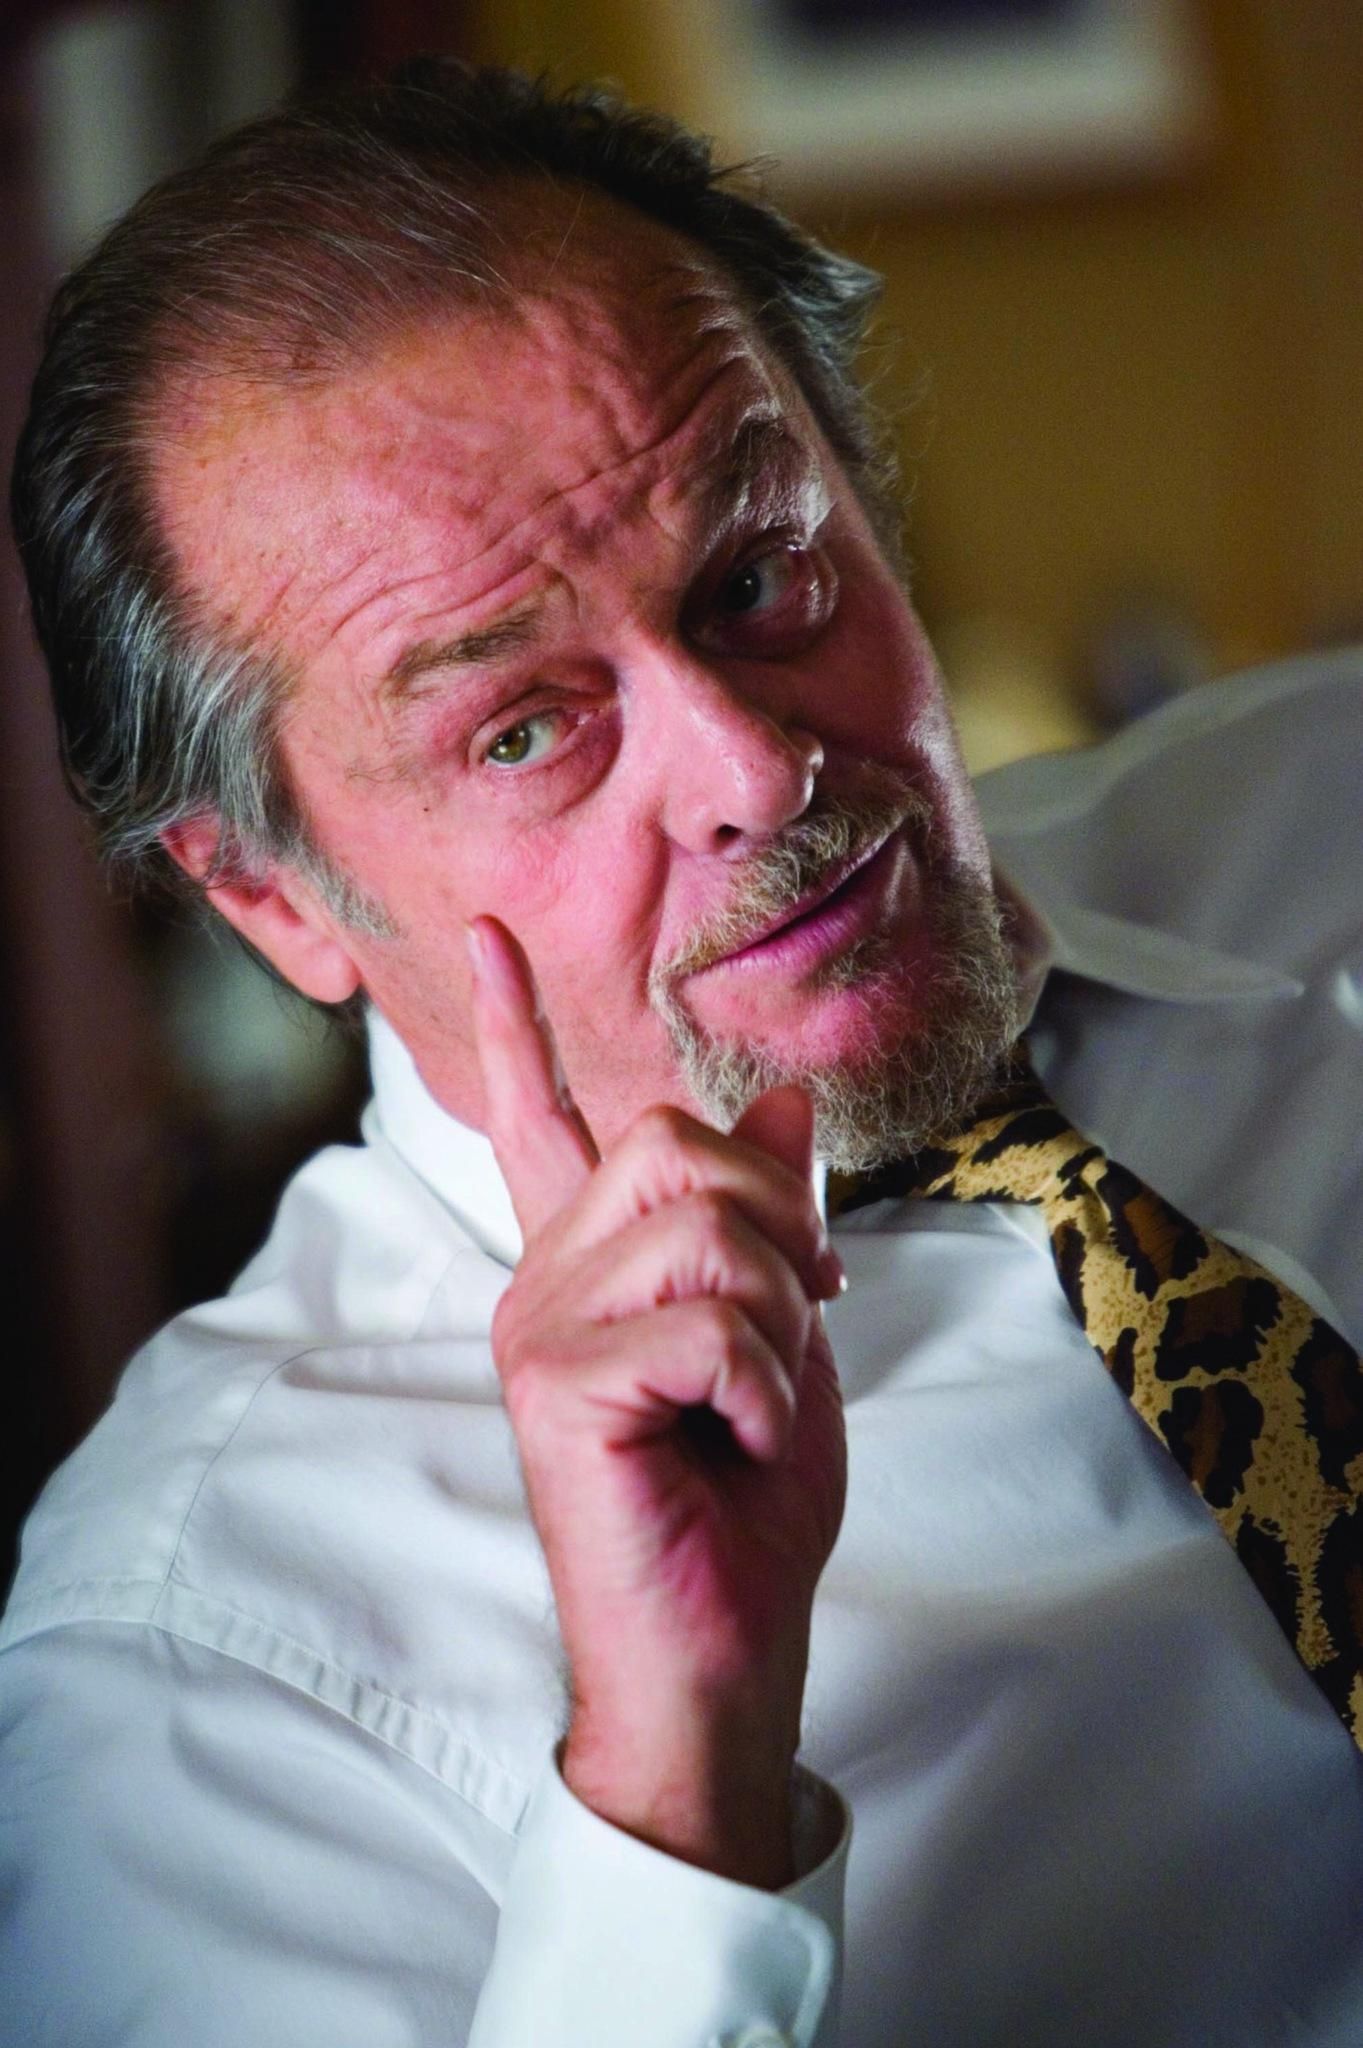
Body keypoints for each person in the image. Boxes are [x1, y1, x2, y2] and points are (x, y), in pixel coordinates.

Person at [2, 58, 1361, 2048]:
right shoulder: (193, 1671)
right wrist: (667, 1795)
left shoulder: (1330, 809)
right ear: (271, 897)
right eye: (524, 730)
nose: (754, 768)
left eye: (756, 578)